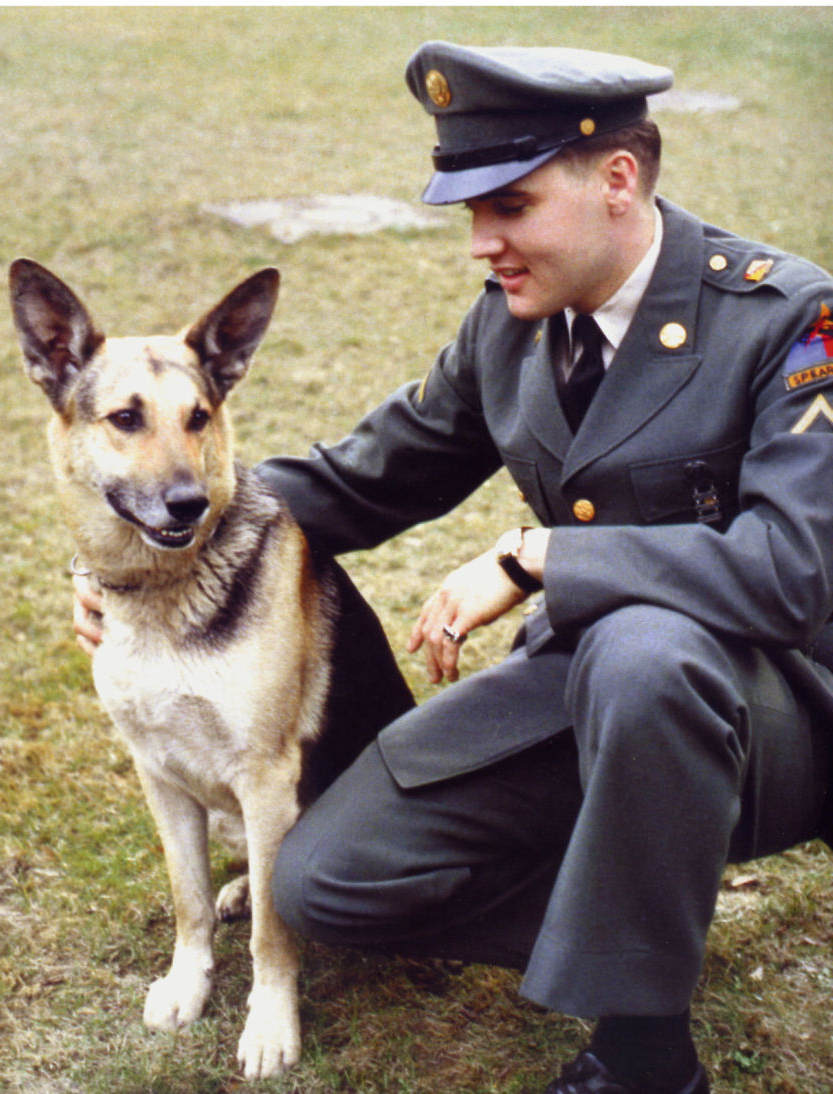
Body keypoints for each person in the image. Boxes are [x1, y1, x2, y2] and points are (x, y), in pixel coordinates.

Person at [74, 41, 833, 1094]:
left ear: (616, 179)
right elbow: (361, 477)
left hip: (770, 715)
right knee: (325, 879)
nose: (482, 241)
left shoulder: (786, 317)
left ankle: (643, 1044)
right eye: (469, 210)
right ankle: (635, 905)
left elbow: (792, 570)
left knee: (645, 649)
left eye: (509, 204)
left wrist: (543, 555)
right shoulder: (513, 321)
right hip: (577, 694)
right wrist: (150, 559)